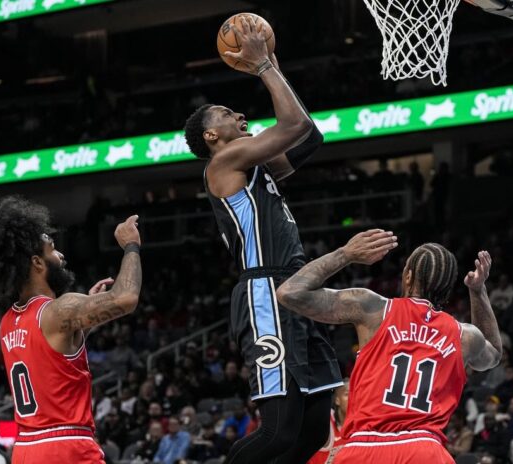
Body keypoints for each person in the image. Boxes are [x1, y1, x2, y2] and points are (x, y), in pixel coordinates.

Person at [183, 15, 341, 464]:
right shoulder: (224, 163)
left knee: (312, 430)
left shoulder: (256, 166)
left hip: (296, 287)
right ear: (212, 136)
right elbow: (291, 126)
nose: (240, 116)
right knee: (277, 430)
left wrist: (271, 64)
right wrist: (263, 67)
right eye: (227, 115)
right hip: (266, 292)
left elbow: (309, 134)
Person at [277, 231, 502, 463]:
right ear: (448, 287)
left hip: (365, 449)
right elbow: (494, 354)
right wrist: (478, 291)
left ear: (408, 276)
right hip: (424, 451)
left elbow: (289, 293)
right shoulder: (464, 335)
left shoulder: (373, 309)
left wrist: (346, 254)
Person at [0, 196, 143, 463]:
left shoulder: (8, 322)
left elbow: (54, 359)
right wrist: (131, 246)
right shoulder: (57, 310)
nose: (61, 255)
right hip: (67, 446)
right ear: (37, 263)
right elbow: (126, 298)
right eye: (53, 249)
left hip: (25, 449)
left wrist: (86, 319)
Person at [308, 381, 349, 464]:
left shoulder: (359, 424)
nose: (352, 398)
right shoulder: (325, 420)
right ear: (337, 399)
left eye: (354, 393)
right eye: (347, 394)